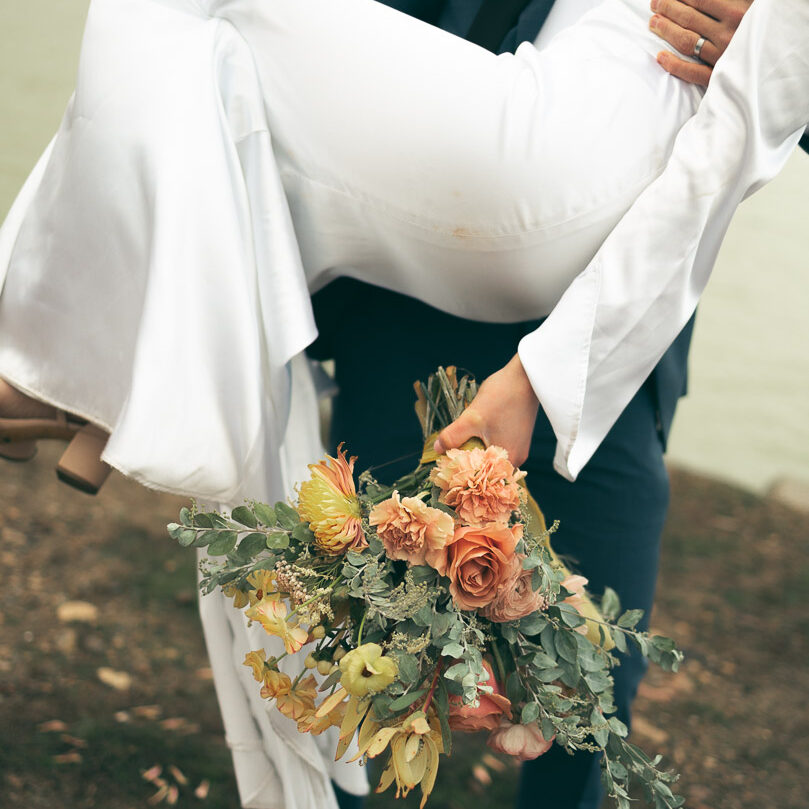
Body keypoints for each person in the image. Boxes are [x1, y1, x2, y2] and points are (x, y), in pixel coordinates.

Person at [0, 0, 807, 807]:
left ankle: (82, 352)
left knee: (589, 681)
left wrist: (767, 49)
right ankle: (95, 352)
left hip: (571, 246)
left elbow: (751, 122)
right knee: (367, 643)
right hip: (432, 261)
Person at [308, 2, 809, 808]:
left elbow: (784, 95)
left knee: (598, 665)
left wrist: (771, 51)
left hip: (609, 335)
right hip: (411, 294)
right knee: (365, 626)